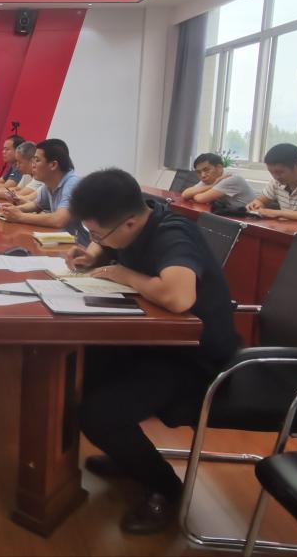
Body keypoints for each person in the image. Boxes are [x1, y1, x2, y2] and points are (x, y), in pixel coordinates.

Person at [63, 168, 240, 534]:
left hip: (196, 359)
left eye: (98, 233)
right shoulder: (140, 214)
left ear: (129, 223)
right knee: (74, 368)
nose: (97, 240)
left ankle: (166, 489)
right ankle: (127, 453)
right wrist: (92, 255)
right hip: (155, 343)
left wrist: (122, 274)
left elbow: (178, 297)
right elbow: (109, 247)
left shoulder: (173, 233)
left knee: (100, 413)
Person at [1, 139, 80, 229]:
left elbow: (59, 220)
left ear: (53, 165)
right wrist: (14, 210)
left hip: (75, 238)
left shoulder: (72, 184)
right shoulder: (49, 183)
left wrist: (19, 216)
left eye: (37, 160)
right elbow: (36, 205)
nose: (33, 165)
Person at [180, 152, 255, 210]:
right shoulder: (211, 179)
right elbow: (185, 194)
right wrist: (212, 186)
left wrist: (194, 194)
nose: (203, 175)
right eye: (199, 172)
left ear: (219, 168)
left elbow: (200, 199)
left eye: (206, 170)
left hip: (249, 218)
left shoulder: (231, 178)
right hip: (229, 215)